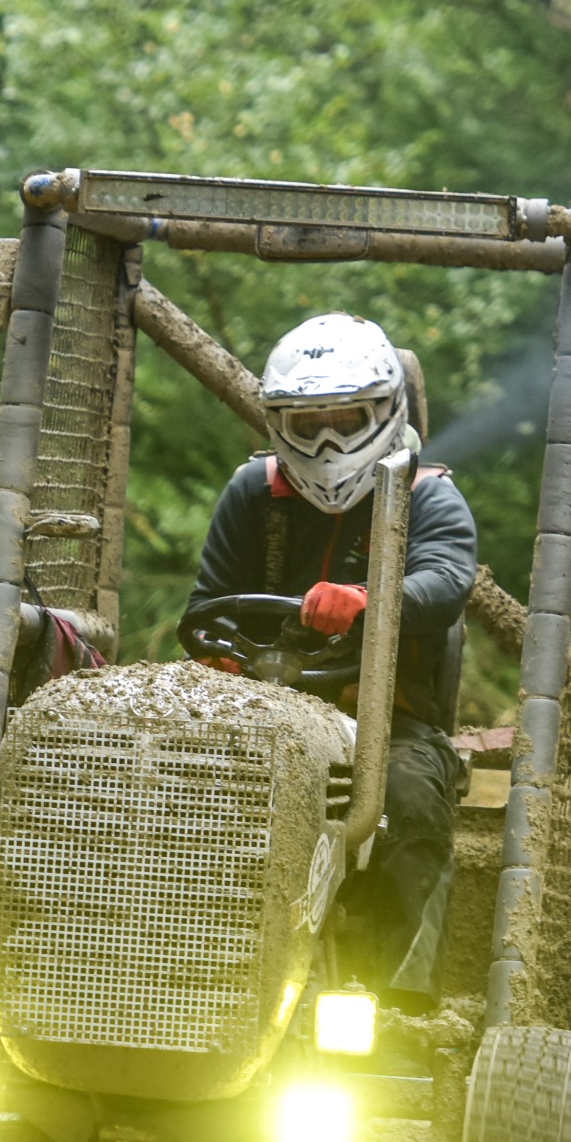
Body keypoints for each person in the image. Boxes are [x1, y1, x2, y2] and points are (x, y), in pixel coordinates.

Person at [187, 312, 476, 1004]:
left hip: (387, 725)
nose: (326, 440)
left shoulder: (428, 493)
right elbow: (207, 605)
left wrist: (370, 601)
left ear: (384, 412)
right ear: (278, 423)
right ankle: (181, 971)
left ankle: (401, 1004)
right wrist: (224, 662)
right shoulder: (254, 492)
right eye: (307, 422)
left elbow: (446, 581)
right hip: (260, 713)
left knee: (409, 799)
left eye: (345, 420)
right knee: (167, 778)